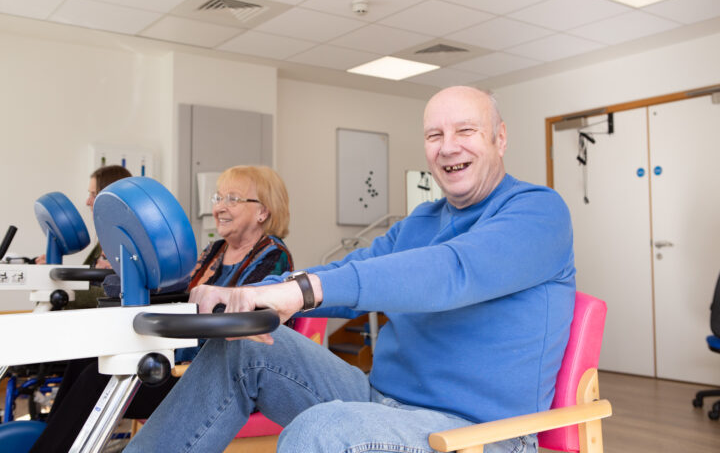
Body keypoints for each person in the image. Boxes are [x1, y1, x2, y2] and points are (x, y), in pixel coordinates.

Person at [126, 86, 576, 453]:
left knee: (322, 431)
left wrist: (303, 291)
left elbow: (449, 272)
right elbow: (354, 268)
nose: (448, 146)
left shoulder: (537, 212)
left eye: (466, 130)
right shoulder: (421, 220)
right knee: (244, 348)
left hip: (480, 434)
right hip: (383, 403)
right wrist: (256, 292)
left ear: (500, 138)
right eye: (434, 135)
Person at [29, 165, 293, 453]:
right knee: (86, 358)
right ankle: (51, 441)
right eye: (217, 198)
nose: (219, 208)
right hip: (176, 358)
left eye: (233, 198)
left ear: (263, 212)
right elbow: (180, 294)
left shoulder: (274, 256)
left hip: (209, 375)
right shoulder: (215, 250)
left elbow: (245, 322)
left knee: (97, 379)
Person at [33, 165, 131, 307]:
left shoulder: (128, 244)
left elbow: (110, 296)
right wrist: (51, 276)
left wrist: (60, 287)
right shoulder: (102, 243)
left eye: (94, 194)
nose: (87, 201)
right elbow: (84, 285)